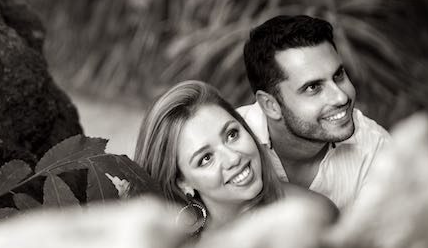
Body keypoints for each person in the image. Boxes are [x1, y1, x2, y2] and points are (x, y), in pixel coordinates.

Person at [133, 80, 335, 235]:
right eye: (206, 158)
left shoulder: (310, 216)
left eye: (232, 135)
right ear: (182, 182)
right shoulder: (169, 238)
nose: (233, 159)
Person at [238, 14, 391, 210]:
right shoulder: (225, 148)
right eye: (313, 87)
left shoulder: (377, 150)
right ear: (270, 105)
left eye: (338, 75)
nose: (341, 97)